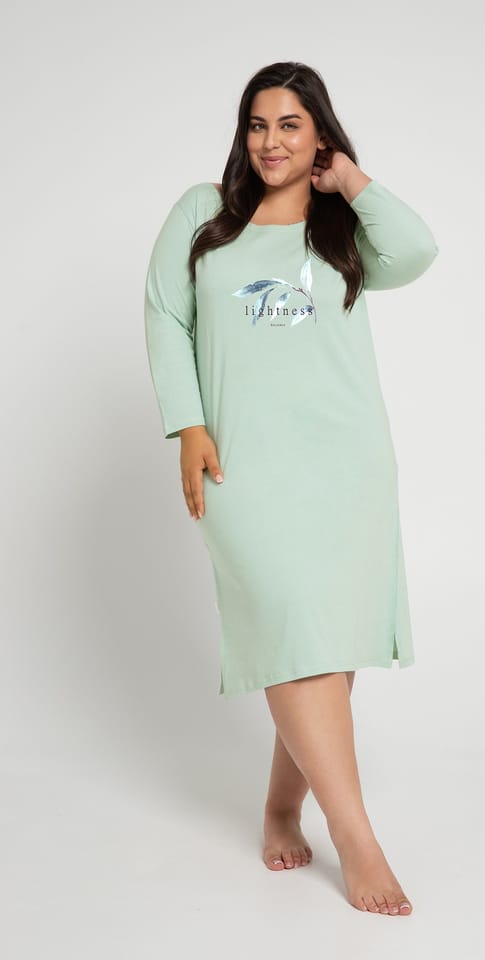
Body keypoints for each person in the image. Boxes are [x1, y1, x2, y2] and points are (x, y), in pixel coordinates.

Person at [144, 60, 438, 916]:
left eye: (290, 125)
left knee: (323, 643)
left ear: (319, 136)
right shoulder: (204, 214)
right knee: (287, 619)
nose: (270, 141)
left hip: (345, 464)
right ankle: (357, 839)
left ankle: (282, 807)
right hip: (241, 465)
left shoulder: (343, 231)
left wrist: (350, 180)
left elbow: (417, 250)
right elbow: (165, 314)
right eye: (257, 124)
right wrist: (187, 425)